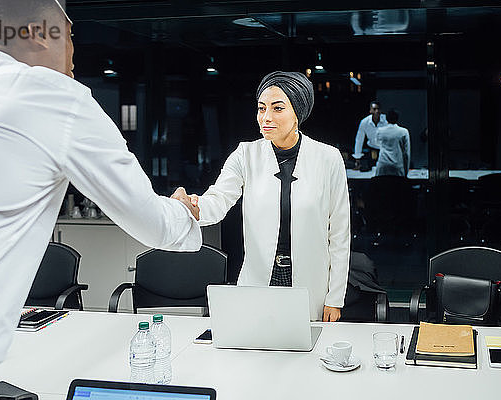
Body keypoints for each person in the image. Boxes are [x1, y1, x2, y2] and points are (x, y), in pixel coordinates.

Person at [0, 1, 200, 398]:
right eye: (68, 36)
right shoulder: (54, 98)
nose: (73, 56)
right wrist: (183, 213)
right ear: (35, 33)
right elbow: (154, 224)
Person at [174, 71, 350, 322]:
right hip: (259, 278)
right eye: (261, 108)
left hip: (311, 283)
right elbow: (218, 199)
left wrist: (335, 298)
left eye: (278, 108)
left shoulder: (328, 158)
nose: (266, 117)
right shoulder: (246, 154)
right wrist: (192, 207)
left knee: (305, 353)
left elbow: (340, 234)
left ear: (297, 113)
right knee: (257, 350)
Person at [352, 100, 388, 169]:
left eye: (378, 109)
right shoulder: (364, 122)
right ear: (370, 111)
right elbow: (359, 139)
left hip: (385, 149)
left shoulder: (386, 120)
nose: (377, 111)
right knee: (370, 169)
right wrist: (357, 157)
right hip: (372, 148)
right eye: (374, 109)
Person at [375, 109, 411, 177]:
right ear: (397, 118)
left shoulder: (380, 131)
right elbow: (406, 153)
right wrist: (406, 172)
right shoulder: (404, 131)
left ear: (386, 118)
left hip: (383, 166)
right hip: (397, 167)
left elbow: (377, 144)